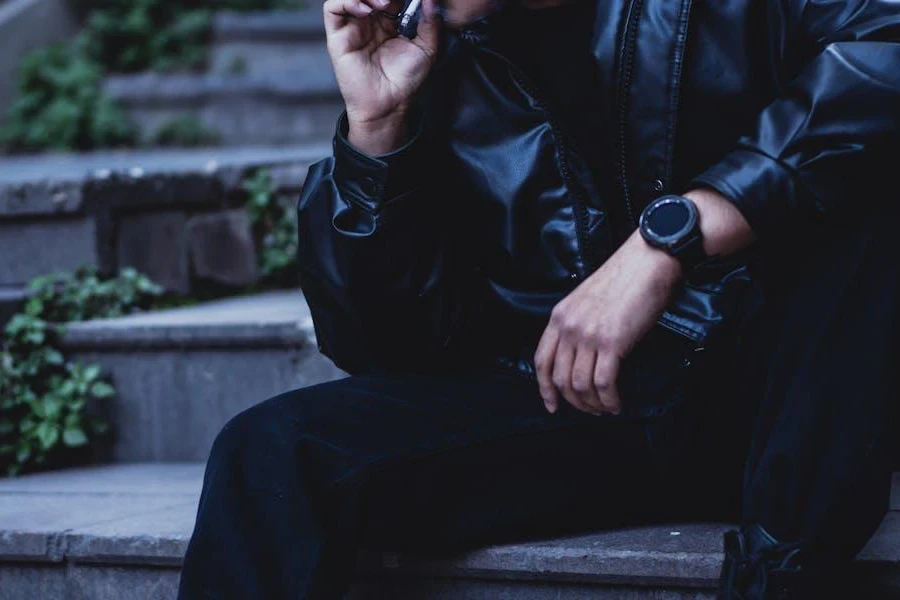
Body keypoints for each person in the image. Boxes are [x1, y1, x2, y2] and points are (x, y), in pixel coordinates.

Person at [177, 0, 900, 597]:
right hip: (575, 400)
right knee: (273, 451)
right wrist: (376, 133)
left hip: (781, 395)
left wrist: (669, 240)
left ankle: (782, 578)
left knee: (874, 186)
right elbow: (383, 350)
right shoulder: (435, 46)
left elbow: (884, 47)